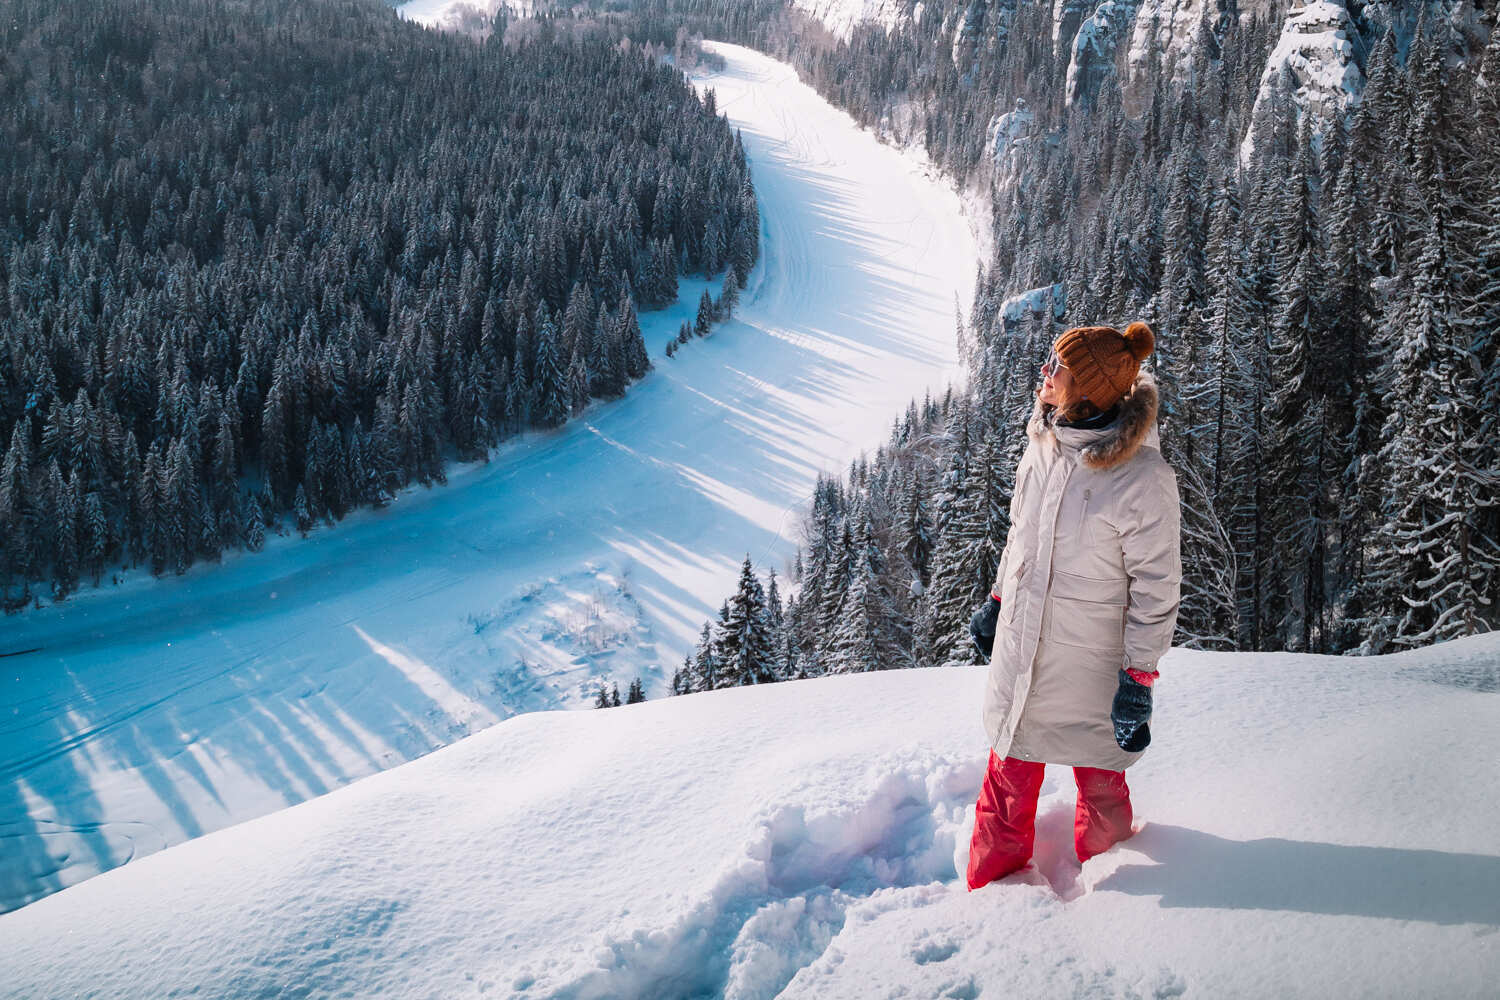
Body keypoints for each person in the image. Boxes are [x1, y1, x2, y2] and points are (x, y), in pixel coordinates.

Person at [964, 321, 1182, 890]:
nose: (1045, 373)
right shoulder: (1044, 444)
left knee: (1102, 783)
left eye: (1056, 367)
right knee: (1007, 778)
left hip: (1091, 660)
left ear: (1087, 389)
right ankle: (987, 902)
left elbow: (1157, 588)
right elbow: (1021, 535)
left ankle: (1118, 901)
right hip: (1024, 644)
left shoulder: (1143, 480)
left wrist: (1138, 679)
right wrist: (997, 598)